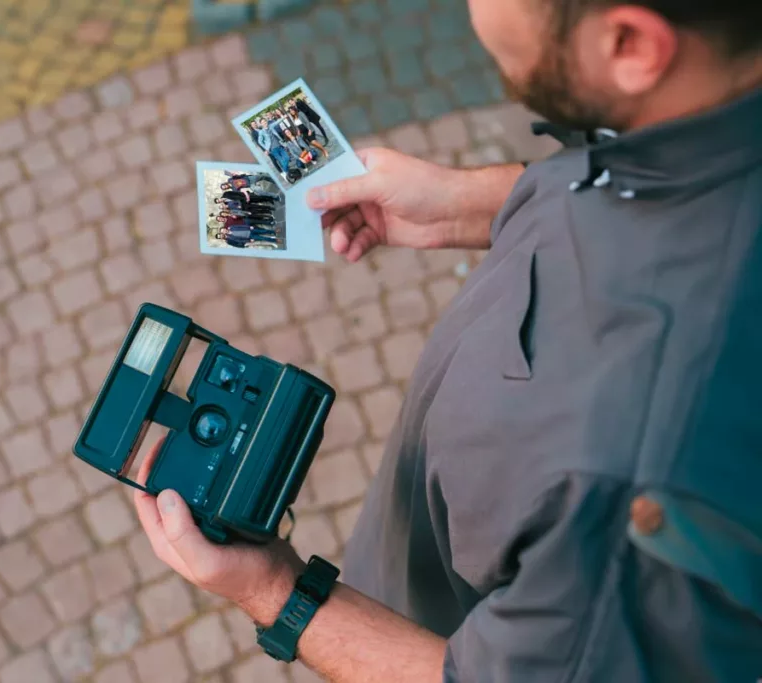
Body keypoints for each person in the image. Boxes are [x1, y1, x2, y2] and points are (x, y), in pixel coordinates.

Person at [136, 1, 762, 681]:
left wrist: (273, 593)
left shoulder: (626, 476)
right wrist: (471, 202)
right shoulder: (709, 104)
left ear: (631, 44)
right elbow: (621, 179)